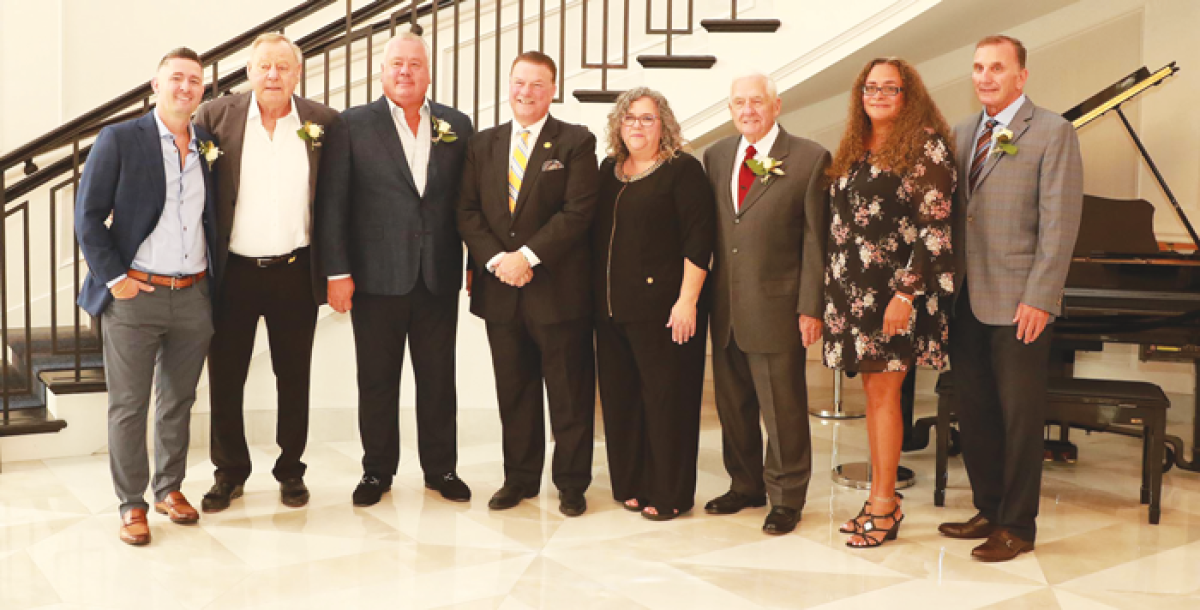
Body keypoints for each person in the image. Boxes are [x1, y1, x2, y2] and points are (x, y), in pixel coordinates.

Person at [939, 35, 1083, 562]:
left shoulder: (1051, 131)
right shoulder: (960, 132)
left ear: (1021, 76)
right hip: (965, 299)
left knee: (1020, 417)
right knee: (975, 412)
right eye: (977, 67)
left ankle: (1019, 524)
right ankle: (990, 508)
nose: (985, 77)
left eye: (997, 68)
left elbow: (1060, 224)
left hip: (1021, 300)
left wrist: (1041, 296)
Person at [316, 32, 475, 507]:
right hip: (374, 277)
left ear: (428, 70)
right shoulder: (351, 125)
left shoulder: (457, 125)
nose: (406, 72)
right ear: (381, 71)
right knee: (377, 379)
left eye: (415, 64)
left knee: (438, 377)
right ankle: (376, 471)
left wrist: (474, 266)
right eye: (397, 64)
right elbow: (333, 204)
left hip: (438, 275)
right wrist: (336, 271)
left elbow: (468, 204)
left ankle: (441, 468)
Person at [75, 47, 219, 545]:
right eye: (176, 78)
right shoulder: (119, 139)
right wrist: (116, 279)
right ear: (155, 86)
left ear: (203, 91)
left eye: (195, 80)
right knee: (129, 405)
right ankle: (131, 504)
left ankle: (169, 488)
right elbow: (87, 216)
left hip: (194, 295)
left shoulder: (207, 142)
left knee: (179, 401)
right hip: (137, 296)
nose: (186, 87)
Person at [193, 33, 338, 513]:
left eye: (282, 66)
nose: (273, 75)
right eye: (264, 66)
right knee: (226, 376)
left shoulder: (323, 123)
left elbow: (337, 205)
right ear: (249, 71)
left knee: (293, 376)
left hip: (295, 271)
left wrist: (338, 270)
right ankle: (228, 472)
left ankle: (291, 470)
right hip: (233, 273)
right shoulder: (216, 117)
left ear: (297, 73)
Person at [457, 51, 600, 517]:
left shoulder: (576, 142)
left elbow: (577, 212)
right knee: (514, 392)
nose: (526, 92)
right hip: (501, 290)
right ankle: (519, 478)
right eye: (519, 82)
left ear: (552, 89)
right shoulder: (483, 144)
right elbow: (468, 212)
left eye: (537, 85)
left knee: (569, 394)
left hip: (558, 292)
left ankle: (572, 483)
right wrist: (501, 260)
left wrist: (529, 257)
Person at [823, 57, 956, 548]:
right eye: (870, 87)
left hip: (895, 296)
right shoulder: (857, 144)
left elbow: (935, 227)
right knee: (875, 398)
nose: (878, 95)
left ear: (908, 94)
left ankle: (884, 504)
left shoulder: (925, 145)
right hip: (853, 296)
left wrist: (905, 293)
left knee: (886, 399)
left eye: (890, 88)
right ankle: (882, 498)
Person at [702, 73, 829, 535]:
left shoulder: (810, 158)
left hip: (778, 304)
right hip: (726, 305)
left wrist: (810, 306)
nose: (748, 110)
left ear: (777, 106)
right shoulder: (715, 156)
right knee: (733, 403)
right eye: (739, 103)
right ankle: (745, 484)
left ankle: (787, 496)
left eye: (757, 101)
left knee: (782, 407)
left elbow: (817, 241)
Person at [592, 88, 715, 521]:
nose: (637, 126)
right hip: (611, 312)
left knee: (667, 403)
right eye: (629, 118)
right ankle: (631, 482)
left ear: (663, 124)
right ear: (618, 125)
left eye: (647, 118)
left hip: (665, 312)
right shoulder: (609, 169)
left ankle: (670, 493)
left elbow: (700, 241)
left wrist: (687, 301)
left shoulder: (683, 171)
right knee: (623, 403)